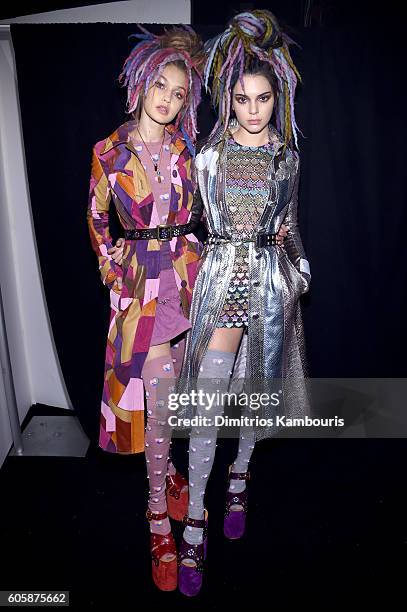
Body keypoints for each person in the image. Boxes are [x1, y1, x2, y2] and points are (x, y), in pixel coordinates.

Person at [172, 9, 312, 596]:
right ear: (227, 98)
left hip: (271, 283)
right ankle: (196, 521)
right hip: (224, 281)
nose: (254, 109)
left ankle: (239, 476)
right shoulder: (206, 156)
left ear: (275, 100)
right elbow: (187, 221)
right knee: (207, 401)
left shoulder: (287, 156)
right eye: (242, 97)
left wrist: (300, 265)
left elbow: (290, 223)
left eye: (263, 99)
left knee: (256, 392)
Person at [86, 24, 207, 592]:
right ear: (139, 83)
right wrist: (115, 276)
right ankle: (158, 515)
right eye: (160, 84)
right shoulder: (108, 153)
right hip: (141, 286)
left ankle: (172, 473)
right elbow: (96, 221)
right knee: (154, 394)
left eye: (178, 92)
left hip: (185, 277)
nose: (167, 97)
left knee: (174, 390)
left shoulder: (185, 150)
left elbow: (202, 210)